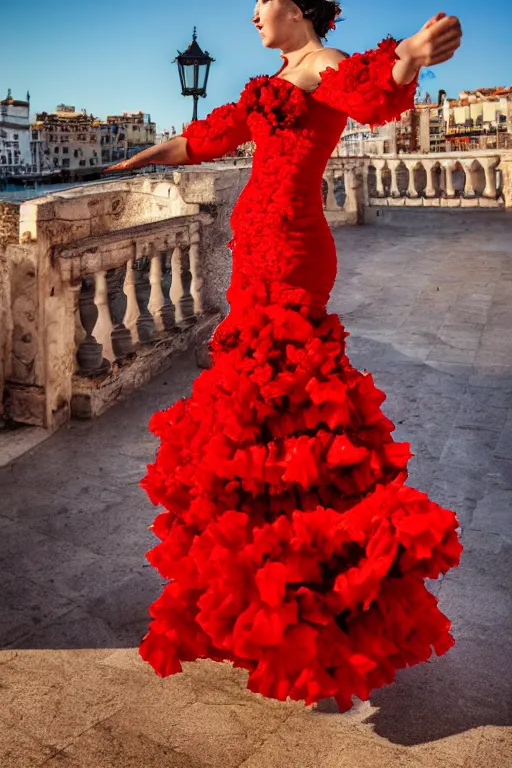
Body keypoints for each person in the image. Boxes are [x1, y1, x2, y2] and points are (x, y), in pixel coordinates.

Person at [109, 2, 463, 711]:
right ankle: (265, 583)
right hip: (253, 257)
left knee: (298, 408)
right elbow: (206, 140)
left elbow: (373, 93)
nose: (252, 18)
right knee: (257, 415)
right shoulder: (270, 82)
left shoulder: (324, 68)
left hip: (296, 252)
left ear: (295, 9)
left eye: (261, 5)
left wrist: (413, 55)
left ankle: (321, 593)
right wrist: (143, 157)